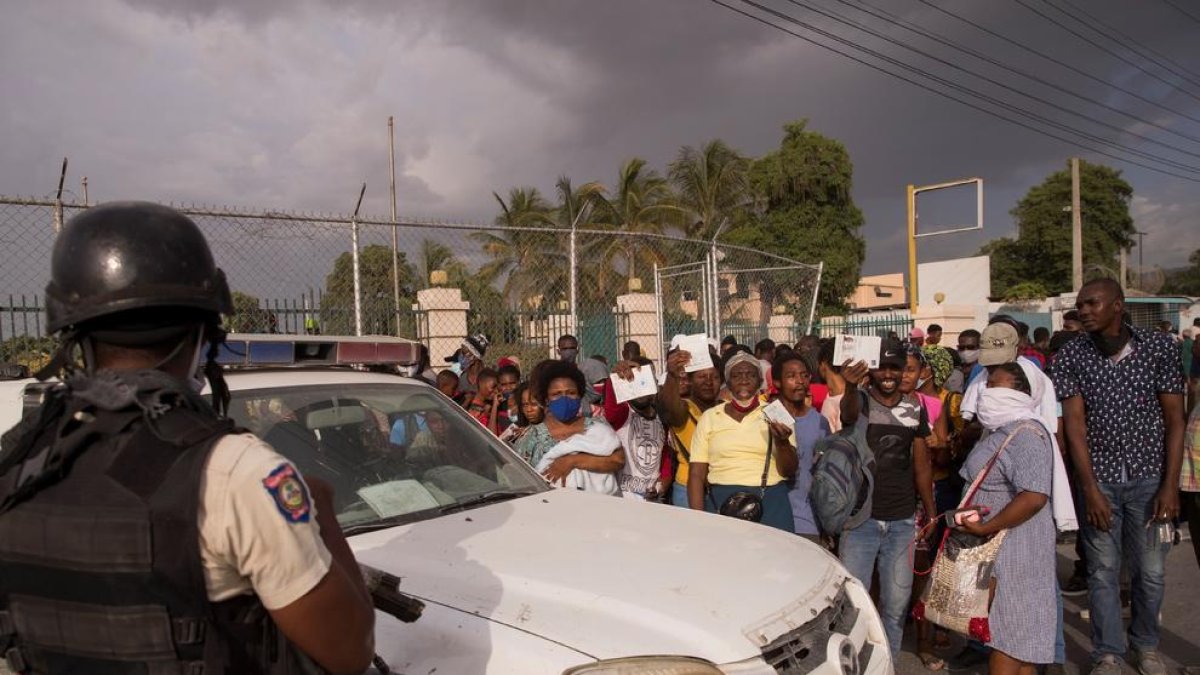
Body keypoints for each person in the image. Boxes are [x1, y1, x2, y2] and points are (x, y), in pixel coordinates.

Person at [0, 202, 375, 674]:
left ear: (73, 333)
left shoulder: (19, 458)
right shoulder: (238, 473)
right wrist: (321, 514)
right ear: (203, 332)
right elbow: (350, 651)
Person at [1050, 278, 1185, 675]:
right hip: (1101, 480)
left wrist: (1169, 485)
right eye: (1079, 306)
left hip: (1150, 478)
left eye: (1092, 303)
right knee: (1102, 572)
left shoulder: (1158, 348)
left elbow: (1175, 420)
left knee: (1150, 572)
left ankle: (1145, 646)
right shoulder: (1072, 355)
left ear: (1118, 305)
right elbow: (1074, 426)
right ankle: (1107, 652)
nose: (1084, 311)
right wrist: (1089, 489)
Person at [957, 362, 1058, 673]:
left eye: (996, 386)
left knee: (1009, 639)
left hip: (1016, 549)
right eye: (986, 386)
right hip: (1002, 547)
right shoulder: (1004, 431)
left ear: (1021, 393)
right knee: (1018, 639)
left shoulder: (1026, 435)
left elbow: (1034, 496)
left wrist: (988, 526)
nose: (987, 392)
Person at [838, 340, 935, 661]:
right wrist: (851, 386)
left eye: (896, 367)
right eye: (883, 367)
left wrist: (930, 512)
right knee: (856, 605)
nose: (890, 374)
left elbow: (921, 463)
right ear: (873, 370)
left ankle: (887, 664)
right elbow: (848, 414)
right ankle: (858, 664)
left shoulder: (914, 407)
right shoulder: (860, 402)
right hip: (860, 520)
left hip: (902, 522)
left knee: (895, 606)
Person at [687, 350, 797, 531]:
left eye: (750, 375)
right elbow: (696, 474)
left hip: (770, 501)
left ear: (759, 381)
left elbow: (789, 470)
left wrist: (783, 443)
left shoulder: (776, 413)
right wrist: (698, 520)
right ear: (727, 382)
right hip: (721, 500)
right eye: (737, 375)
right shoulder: (710, 417)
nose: (744, 380)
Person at [513, 360, 625, 495]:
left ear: (580, 395)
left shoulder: (597, 427)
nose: (564, 399)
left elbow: (618, 460)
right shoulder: (531, 438)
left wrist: (572, 461)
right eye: (556, 394)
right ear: (546, 399)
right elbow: (521, 481)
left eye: (571, 393)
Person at [657, 342, 724, 507]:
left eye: (714, 377)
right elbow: (670, 408)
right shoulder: (684, 407)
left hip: (720, 485)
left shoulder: (725, 407)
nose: (708, 382)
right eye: (701, 376)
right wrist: (672, 375)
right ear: (690, 380)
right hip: (687, 489)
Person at [773, 350, 829, 538]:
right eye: (791, 376)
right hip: (773, 518)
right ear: (777, 382)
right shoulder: (767, 417)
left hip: (808, 521)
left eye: (804, 375)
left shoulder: (820, 421)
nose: (799, 381)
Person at [607, 357, 667, 501]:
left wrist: (662, 484)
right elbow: (611, 408)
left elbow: (664, 455)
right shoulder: (623, 413)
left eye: (644, 380)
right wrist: (615, 378)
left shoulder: (661, 415)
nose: (640, 389)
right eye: (633, 380)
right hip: (624, 495)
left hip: (653, 497)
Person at [465, 368, 503, 434]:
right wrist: (494, 406)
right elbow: (491, 437)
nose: (496, 391)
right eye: (493, 387)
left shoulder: (488, 404)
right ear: (481, 384)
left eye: (497, 388)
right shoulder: (473, 410)